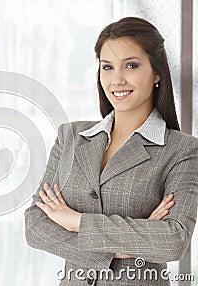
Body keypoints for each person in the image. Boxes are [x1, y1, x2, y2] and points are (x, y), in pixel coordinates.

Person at [25, 17, 197, 286]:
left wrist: (77, 222)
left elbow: (173, 241)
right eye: (107, 67)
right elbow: (35, 226)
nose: (117, 79)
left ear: (156, 72)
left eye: (131, 65)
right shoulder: (70, 137)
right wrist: (126, 246)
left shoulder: (182, 150)